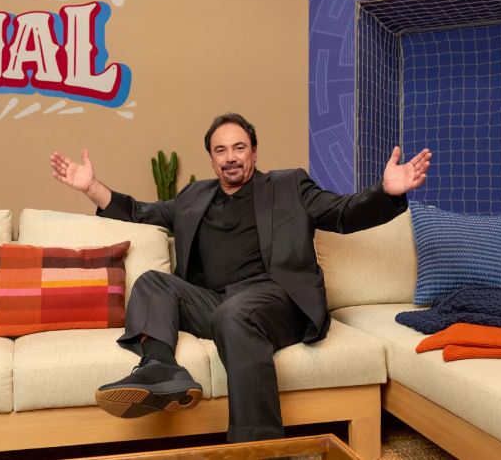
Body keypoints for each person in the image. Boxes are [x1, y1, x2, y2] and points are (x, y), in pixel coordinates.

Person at [50, 113, 431, 442]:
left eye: (239, 148)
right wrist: (92, 188)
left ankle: (259, 448)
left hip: (277, 301)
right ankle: (161, 368)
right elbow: (139, 213)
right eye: (221, 150)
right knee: (152, 281)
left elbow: (343, 213)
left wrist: (385, 192)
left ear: (254, 152)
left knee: (236, 314)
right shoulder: (193, 197)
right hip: (217, 304)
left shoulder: (289, 186)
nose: (230, 157)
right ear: (212, 159)